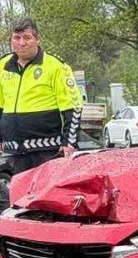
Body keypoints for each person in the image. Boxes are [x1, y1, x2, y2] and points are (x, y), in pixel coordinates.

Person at [0, 18, 81, 188]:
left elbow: (73, 107)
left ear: (37, 39)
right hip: (14, 151)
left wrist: (70, 142)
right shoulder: (3, 66)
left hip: (47, 150)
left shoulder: (55, 66)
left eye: (27, 38)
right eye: (16, 37)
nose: (21, 43)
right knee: (20, 201)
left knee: (47, 202)